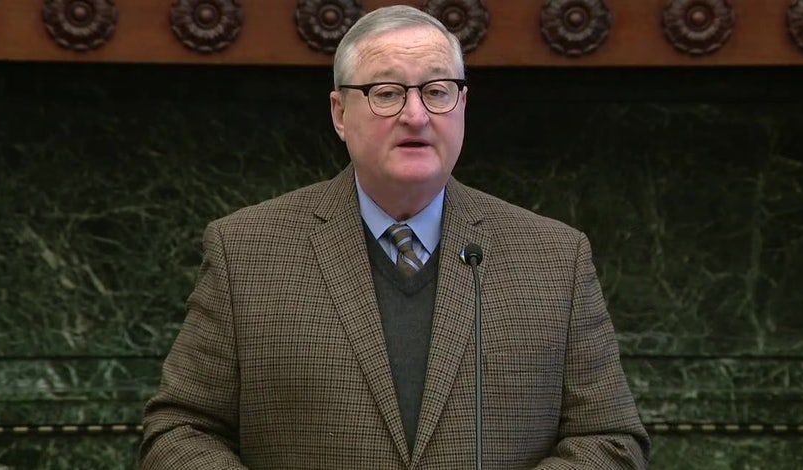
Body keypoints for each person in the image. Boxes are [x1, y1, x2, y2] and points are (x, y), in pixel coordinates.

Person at [140, 5, 650, 469]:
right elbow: (179, 431)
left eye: (437, 91)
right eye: (386, 92)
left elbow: (609, 439)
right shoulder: (246, 251)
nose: (416, 115)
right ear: (340, 113)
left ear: (463, 104)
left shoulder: (554, 258)